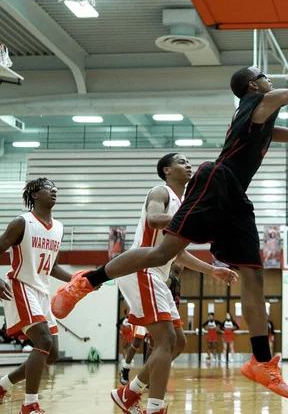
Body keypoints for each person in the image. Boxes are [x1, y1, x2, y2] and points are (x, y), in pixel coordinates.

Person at [51, 57, 288, 400]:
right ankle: (87, 282)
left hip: (236, 196)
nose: (269, 80)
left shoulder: (264, 121)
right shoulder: (259, 102)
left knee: (253, 275)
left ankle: (261, 361)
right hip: (217, 180)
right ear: (253, 85)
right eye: (264, 76)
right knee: (164, 252)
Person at [86, 153, 237, 414]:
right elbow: (154, 220)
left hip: (157, 275)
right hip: (140, 269)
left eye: (189, 162)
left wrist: (213, 271)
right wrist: (195, 218)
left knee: (178, 342)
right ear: (167, 170)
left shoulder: (184, 203)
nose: (188, 165)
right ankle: (155, 407)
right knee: (165, 339)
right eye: (181, 161)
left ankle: (129, 391)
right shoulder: (161, 192)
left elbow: (177, 252)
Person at [0, 178, 78, 413]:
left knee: (51, 354)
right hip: (20, 286)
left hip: (42, 291)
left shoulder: (59, 227)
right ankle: (30, 405)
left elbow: (52, 267)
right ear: (34, 195)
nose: (54, 190)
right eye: (47, 187)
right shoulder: (21, 222)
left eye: (56, 187)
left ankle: (2, 385)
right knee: (42, 341)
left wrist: (79, 280)